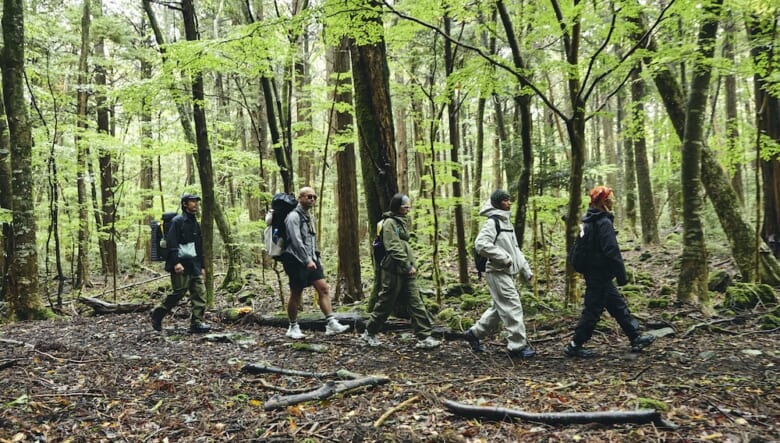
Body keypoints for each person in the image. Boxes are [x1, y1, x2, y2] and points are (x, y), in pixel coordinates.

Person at [563, 185, 655, 357]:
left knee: (617, 305)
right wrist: (621, 275)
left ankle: (635, 337)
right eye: (611, 198)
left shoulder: (589, 221)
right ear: (604, 202)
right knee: (592, 310)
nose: (613, 200)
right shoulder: (603, 222)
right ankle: (575, 345)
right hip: (599, 275)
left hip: (597, 273)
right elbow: (611, 251)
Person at [361, 194, 441, 349]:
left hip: (406, 270)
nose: (408, 209)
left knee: (415, 301)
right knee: (386, 301)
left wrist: (410, 265)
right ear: (397, 207)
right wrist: (406, 265)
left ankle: (424, 337)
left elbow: (403, 245)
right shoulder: (390, 223)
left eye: (409, 207)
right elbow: (393, 247)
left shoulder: (402, 222)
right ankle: (369, 332)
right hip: (393, 270)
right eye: (406, 207)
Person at [463, 190, 536, 358]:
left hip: (506, 272)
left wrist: (526, 270)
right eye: (505, 200)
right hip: (496, 271)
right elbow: (480, 244)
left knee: (498, 308)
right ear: (497, 203)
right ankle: (516, 347)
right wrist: (503, 258)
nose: (509, 203)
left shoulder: (506, 222)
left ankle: (474, 334)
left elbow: (515, 250)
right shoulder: (492, 222)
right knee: (512, 305)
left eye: (509, 200)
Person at [281, 186, 349, 339]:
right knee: (296, 293)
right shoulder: (293, 217)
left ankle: (331, 324)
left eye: (314, 197)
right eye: (308, 196)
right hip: (296, 261)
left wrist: (315, 258)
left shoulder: (309, 216)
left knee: (323, 288)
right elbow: (296, 241)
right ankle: (292, 326)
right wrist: (306, 260)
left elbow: (311, 239)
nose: (312, 199)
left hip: (312, 260)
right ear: (300, 198)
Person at [150, 193, 211, 333]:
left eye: (196, 201)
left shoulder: (196, 222)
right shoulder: (177, 222)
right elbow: (172, 243)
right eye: (192, 201)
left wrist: (202, 266)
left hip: (194, 265)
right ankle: (158, 313)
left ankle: (196, 323)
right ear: (185, 204)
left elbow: (199, 246)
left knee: (200, 293)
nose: (195, 204)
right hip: (180, 265)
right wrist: (176, 263)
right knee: (179, 292)